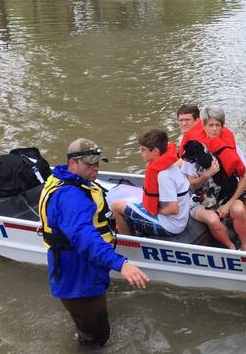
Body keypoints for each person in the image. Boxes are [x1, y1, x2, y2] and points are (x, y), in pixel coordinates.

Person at [38, 138, 149, 347]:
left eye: (97, 163)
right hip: (77, 278)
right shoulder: (70, 197)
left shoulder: (75, 182)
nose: (95, 168)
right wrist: (121, 264)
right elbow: (85, 238)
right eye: (89, 164)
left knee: (96, 326)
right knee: (96, 338)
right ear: (73, 164)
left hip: (88, 269)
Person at [181, 105, 246, 251]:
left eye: (218, 125)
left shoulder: (231, 148)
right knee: (212, 219)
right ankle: (231, 247)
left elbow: (244, 179)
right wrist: (207, 175)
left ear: (222, 126)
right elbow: (191, 185)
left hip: (226, 196)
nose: (214, 129)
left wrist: (229, 204)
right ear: (204, 126)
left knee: (238, 209)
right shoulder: (195, 149)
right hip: (200, 201)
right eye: (210, 125)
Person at [110, 129, 192, 236]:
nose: (140, 152)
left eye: (143, 149)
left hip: (170, 226)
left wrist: (155, 211)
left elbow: (173, 209)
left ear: (155, 151)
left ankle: (129, 243)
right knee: (136, 203)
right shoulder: (172, 167)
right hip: (179, 220)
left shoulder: (164, 176)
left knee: (116, 206)